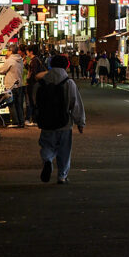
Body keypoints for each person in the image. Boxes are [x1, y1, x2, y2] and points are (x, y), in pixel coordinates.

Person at [35, 55, 85, 185]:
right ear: (66, 66)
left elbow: (35, 100)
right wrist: (80, 122)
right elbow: (76, 104)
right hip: (64, 122)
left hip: (46, 121)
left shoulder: (42, 82)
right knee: (64, 150)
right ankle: (62, 176)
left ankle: (47, 160)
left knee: (47, 145)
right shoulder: (68, 82)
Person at [0, 45, 26, 128]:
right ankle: (21, 122)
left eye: (8, 51)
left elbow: (1, 71)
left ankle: (15, 122)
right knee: (19, 104)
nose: (7, 52)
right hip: (19, 84)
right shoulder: (20, 59)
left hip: (11, 85)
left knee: (11, 103)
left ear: (11, 51)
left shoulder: (10, 60)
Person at [24, 45, 45, 126]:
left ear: (31, 52)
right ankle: (35, 119)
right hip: (35, 83)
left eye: (27, 51)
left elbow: (34, 73)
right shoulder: (35, 60)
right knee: (33, 101)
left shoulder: (34, 60)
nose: (26, 53)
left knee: (33, 102)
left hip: (33, 84)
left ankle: (35, 120)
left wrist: (29, 80)